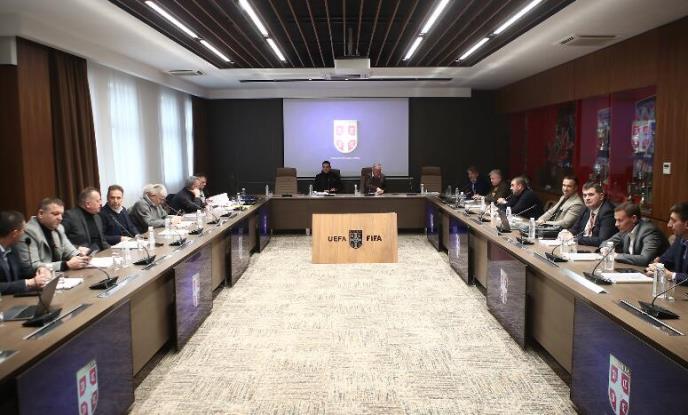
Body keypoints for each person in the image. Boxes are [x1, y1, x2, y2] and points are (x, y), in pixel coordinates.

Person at [14, 198, 90, 273]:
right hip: (39, 278)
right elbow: (31, 266)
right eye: (56, 214)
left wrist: (81, 257)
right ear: (41, 214)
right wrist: (66, 265)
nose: (60, 218)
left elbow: (70, 252)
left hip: (58, 275)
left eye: (61, 214)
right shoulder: (28, 232)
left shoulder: (59, 228)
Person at [0, 211, 52, 295]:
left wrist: (40, 269)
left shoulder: (12, 249)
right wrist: (28, 283)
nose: (24, 233)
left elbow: (23, 272)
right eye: (23, 230)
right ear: (14, 233)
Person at [601, 202, 669, 266]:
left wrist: (616, 255)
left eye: (620, 220)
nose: (616, 224)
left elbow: (645, 259)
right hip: (632, 269)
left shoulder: (648, 231)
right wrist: (604, 249)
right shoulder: (626, 230)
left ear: (633, 218)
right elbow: (605, 243)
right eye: (616, 220)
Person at [645, 202, 688, 283]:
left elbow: (669, 273)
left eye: (674, 221)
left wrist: (671, 275)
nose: (669, 225)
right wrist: (655, 267)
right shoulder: (680, 239)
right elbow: (663, 261)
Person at [62, 187, 110, 252]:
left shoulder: (97, 217)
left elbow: (102, 241)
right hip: (82, 255)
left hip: (101, 254)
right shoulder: (70, 216)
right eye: (98, 201)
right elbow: (60, 241)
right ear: (88, 204)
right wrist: (77, 248)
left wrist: (111, 251)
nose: (100, 203)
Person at [569, 182, 616, 247]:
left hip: (597, 249)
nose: (587, 198)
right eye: (584, 195)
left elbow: (602, 240)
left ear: (601, 196)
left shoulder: (607, 211)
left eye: (591, 195)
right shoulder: (585, 208)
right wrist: (567, 233)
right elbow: (575, 229)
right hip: (582, 246)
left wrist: (575, 238)